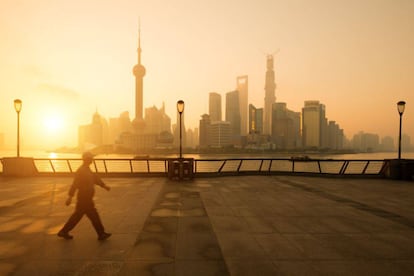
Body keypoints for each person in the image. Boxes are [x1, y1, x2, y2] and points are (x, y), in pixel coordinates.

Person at [58, 151, 112, 241]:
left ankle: (64, 231)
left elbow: (95, 178)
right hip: (84, 198)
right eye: (91, 158)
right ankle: (101, 234)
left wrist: (104, 186)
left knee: (79, 216)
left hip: (86, 198)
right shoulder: (81, 170)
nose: (92, 160)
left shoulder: (87, 169)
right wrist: (70, 196)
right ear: (87, 159)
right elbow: (75, 184)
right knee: (92, 216)